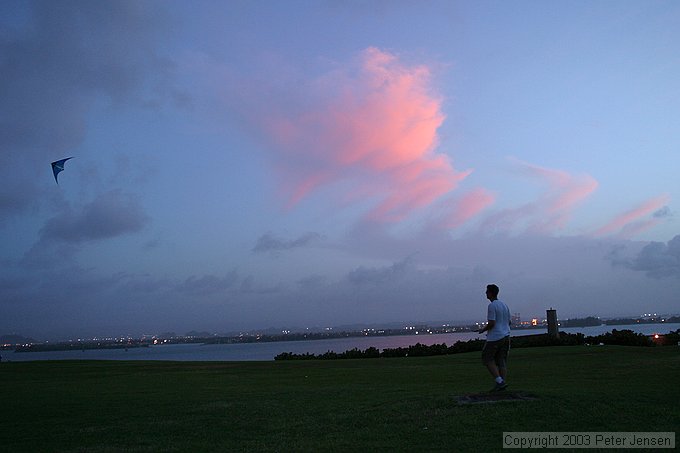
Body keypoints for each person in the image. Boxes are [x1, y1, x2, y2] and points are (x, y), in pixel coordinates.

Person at [477, 284, 511, 392]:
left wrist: (483, 329)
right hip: (506, 336)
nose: (485, 293)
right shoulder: (504, 305)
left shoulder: (492, 306)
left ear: (491, 293)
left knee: (487, 358)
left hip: (496, 337)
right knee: (501, 360)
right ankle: (501, 383)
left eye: (487, 291)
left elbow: (492, 323)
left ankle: (500, 381)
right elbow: (509, 321)